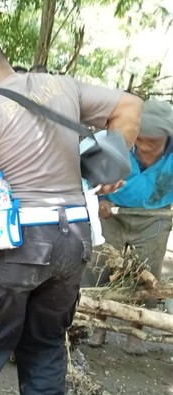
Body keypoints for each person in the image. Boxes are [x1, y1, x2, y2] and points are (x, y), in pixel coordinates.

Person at [0, 32, 142, 394]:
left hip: (17, 243)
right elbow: (129, 105)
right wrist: (115, 161)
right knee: (45, 345)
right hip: (74, 240)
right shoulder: (63, 87)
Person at [83, 99, 173, 354]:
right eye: (140, 139)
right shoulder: (116, 142)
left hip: (155, 218)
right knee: (99, 268)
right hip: (112, 213)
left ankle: (137, 328)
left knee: (147, 274)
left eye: (153, 143)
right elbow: (89, 176)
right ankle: (96, 323)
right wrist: (99, 200)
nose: (144, 147)